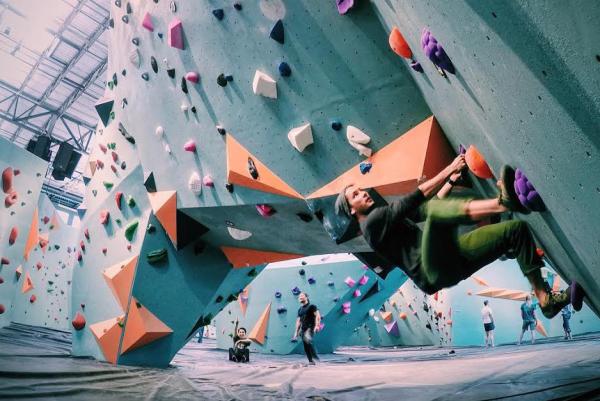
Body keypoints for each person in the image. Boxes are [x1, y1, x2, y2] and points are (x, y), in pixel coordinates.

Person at [335, 155, 585, 319]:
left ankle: (546, 300)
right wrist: (449, 169)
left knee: (516, 231)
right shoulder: (372, 223)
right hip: (430, 271)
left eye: (360, 189)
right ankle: (502, 204)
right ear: (352, 210)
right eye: (356, 195)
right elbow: (416, 200)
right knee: (436, 213)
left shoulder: (381, 219)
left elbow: (424, 209)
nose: (363, 193)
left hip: (448, 259)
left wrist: (450, 182)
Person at [292, 292, 321, 365]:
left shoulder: (312, 306)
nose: (300, 297)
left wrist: (317, 325)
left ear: (306, 297)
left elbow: (317, 316)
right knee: (305, 345)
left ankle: (315, 356)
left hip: (310, 327)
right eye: (299, 297)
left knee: (307, 338)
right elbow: (298, 321)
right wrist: (296, 332)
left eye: (302, 296)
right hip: (303, 329)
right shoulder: (300, 309)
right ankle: (311, 361)